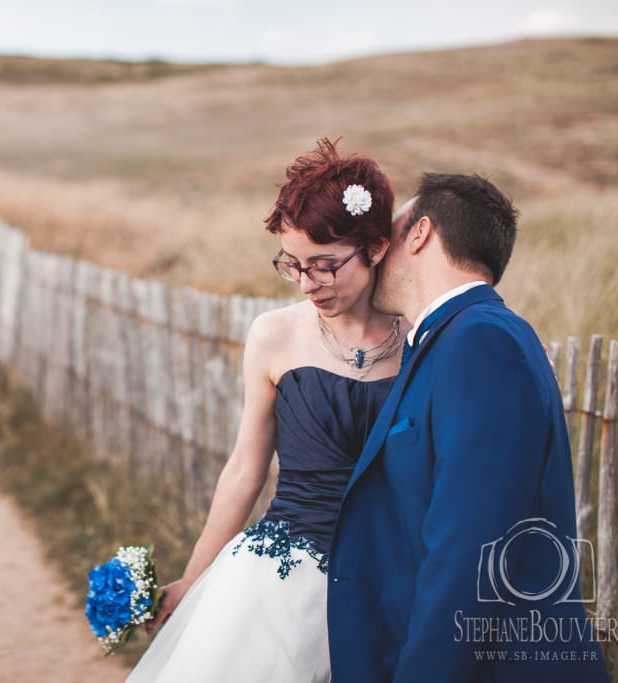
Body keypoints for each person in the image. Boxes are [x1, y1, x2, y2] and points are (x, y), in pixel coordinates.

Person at [126, 138, 409, 682]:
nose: (308, 284)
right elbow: (244, 469)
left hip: (387, 581)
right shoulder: (273, 335)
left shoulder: (422, 341)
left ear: (375, 247)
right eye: (293, 265)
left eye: (325, 265)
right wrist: (192, 579)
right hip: (277, 581)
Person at [326, 174, 611, 682]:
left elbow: (469, 551)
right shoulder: (447, 341)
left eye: (387, 233)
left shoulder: (480, 342)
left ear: (419, 234)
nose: (373, 252)